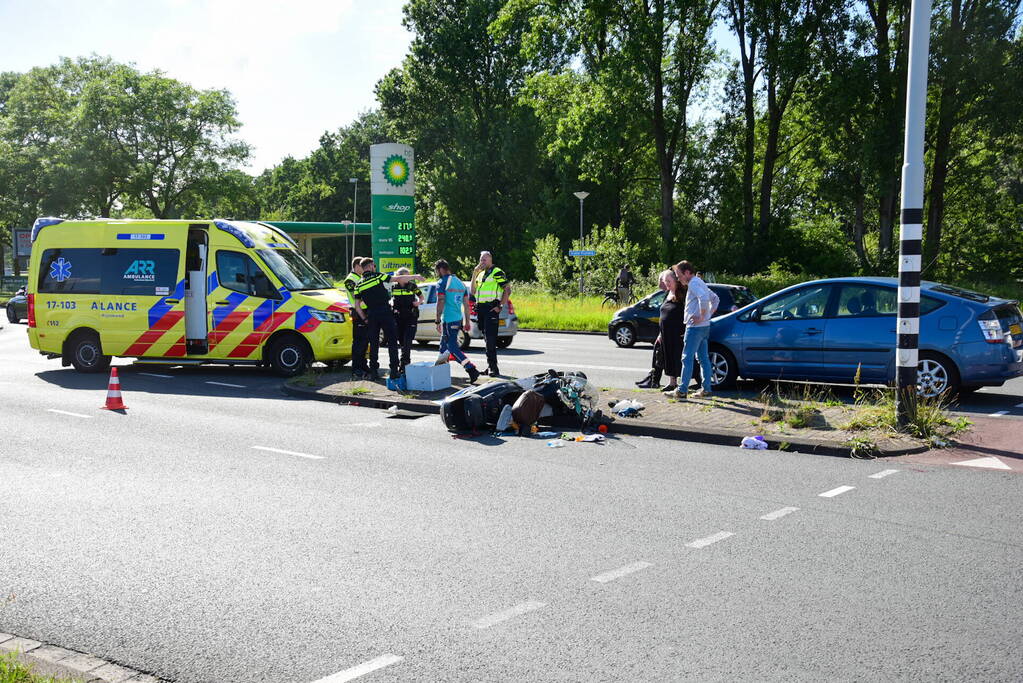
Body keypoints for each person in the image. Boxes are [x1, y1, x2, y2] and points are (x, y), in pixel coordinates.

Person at [353, 258, 425, 382]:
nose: (374, 267)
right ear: (370, 266)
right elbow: (398, 279)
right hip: (385, 312)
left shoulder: (358, 285)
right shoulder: (377, 277)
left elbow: (357, 306)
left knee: (374, 344)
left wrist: (365, 318)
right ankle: (394, 371)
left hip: (371, 314)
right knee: (392, 342)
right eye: (373, 266)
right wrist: (416, 276)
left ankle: (374, 372)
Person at [672, 260, 719, 399]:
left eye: (679, 275)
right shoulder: (701, 282)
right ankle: (706, 389)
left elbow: (704, 298)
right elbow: (715, 299)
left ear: (687, 272)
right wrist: (707, 317)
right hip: (704, 327)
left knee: (687, 358)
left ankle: (682, 390)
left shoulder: (693, 283)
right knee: (703, 359)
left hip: (695, 327)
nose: (679, 279)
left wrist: (701, 316)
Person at [433, 259, 480, 383]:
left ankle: (471, 369)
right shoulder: (460, 283)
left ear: (440, 269)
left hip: (448, 319)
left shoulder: (442, 282)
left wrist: (437, 319)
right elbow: (466, 304)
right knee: (443, 348)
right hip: (457, 319)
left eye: (437, 271)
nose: (437, 273)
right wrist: (467, 321)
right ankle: (440, 375)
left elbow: (441, 301)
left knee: (452, 347)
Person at [469, 250, 510, 377]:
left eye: (484, 259)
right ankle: (490, 366)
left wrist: (500, 306)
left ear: (490, 260)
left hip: (491, 308)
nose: (482, 262)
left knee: (491, 339)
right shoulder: (480, 274)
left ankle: (493, 368)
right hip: (481, 309)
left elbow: (507, 289)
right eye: (481, 259)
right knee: (487, 339)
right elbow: (472, 291)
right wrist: (474, 273)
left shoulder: (497, 272)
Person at [343, 257, 377, 379]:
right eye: (362, 267)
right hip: (358, 312)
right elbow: (356, 295)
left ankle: (363, 365)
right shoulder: (350, 280)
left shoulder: (361, 278)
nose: (364, 269)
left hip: (366, 311)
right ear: (357, 266)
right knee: (358, 342)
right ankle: (356, 368)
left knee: (365, 341)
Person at [658, 269, 686, 393]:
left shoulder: (682, 294)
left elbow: (687, 312)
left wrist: (685, 329)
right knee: (668, 355)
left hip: (678, 332)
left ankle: (681, 384)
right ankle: (672, 382)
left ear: (675, 280)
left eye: (669, 281)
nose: (667, 284)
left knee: (678, 356)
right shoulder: (667, 294)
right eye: (666, 281)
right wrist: (660, 333)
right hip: (666, 332)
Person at [390, 267, 424, 371]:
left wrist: (417, 303)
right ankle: (402, 363)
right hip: (398, 317)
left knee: (407, 340)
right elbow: (392, 298)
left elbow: (421, 298)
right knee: (401, 341)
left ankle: (405, 364)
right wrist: (391, 303)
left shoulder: (412, 286)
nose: (408, 278)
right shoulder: (394, 287)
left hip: (410, 316)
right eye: (407, 276)